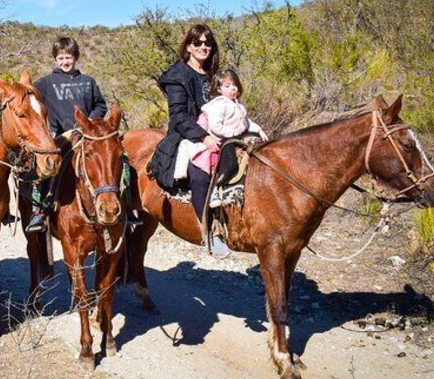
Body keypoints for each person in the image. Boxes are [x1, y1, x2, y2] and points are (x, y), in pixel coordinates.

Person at [25, 36, 139, 233]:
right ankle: (40, 211)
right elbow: (28, 94)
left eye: (68, 57)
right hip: (63, 135)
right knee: (49, 166)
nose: (65, 62)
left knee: (121, 161)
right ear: (55, 59)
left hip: (90, 134)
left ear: (75, 57)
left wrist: (90, 122)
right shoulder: (46, 82)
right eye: (60, 58)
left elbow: (100, 105)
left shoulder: (88, 81)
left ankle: (127, 208)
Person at [147, 24, 224, 251]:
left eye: (207, 43)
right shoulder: (178, 75)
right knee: (200, 176)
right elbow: (178, 116)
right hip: (188, 136)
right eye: (197, 43)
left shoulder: (213, 75)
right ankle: (208, 230)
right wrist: (203, 137)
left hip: (218, 132)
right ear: (188, 46)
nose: (203, 47)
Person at [191, 68, 268, 186]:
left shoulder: (238, 104)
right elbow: (215, 126)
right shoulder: (219, 104)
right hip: (222, 138)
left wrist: (258, 130)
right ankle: (224, 174)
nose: (233, 88)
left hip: (238, 135)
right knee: (229, 150)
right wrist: (231, 133)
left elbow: (245, 121)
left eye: (234, 85)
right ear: (219, 89)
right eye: (227, 86)